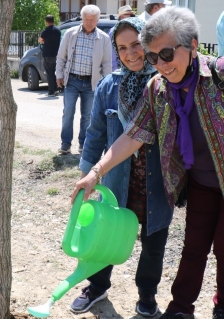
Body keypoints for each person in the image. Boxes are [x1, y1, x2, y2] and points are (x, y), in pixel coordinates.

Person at [72, 7, 224, 319]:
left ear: (194, 45)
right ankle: (180, 309)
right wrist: (95, 172)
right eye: (153, 57)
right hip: (202, 181)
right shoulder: (157, 89)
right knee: (194, 247)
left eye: (168, 53)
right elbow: (133, 136)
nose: (161, 64)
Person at [70, 17, 171, 317]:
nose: (131, 54)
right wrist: (87, 173)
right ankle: (97, 286)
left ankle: (147, 297)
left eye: (137, 44)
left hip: (156, 183)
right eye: (122, 47)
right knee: (105, 236)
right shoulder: (108, 86)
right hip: (117, 180)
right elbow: (95, 134)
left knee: (154, 244)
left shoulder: (166, 83)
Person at [56, 5, 112, 155]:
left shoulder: (104, 38)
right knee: (68, 112)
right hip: (72, 80)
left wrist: (107, 84)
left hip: (91, 82)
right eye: (86, 19)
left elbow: (107, 63)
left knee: (87, 115)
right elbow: (61, 57)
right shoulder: (70, 33)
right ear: (82, 18)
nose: (89, 22)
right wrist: (59, 75)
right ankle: (65, 143)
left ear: (97, 20)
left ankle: (83, 144)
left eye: (92, 20)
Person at [39, 15, 61, 96]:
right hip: (57, 54)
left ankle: (51, 91)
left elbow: (40, 40)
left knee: (49, 73)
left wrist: (45, 41)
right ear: (53, 21)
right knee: (55, 72)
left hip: (47, 54)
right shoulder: (58, 30)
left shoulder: (46, 31)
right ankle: (56, 89)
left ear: (46, 22)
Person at [109, 5, 136, 72]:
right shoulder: (114, 31)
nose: (131, 17)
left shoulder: (134, 29)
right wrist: (115, 72)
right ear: (122, 16)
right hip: (120, 70)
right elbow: (112, 56)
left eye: (132, 15)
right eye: (129, 15)